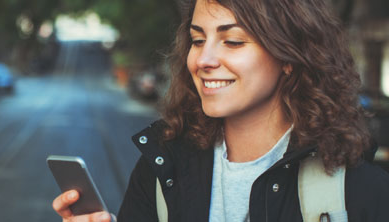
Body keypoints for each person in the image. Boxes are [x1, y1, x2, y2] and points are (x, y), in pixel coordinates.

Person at [52, 0, 389, 221]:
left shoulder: (360, 191)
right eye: (198, 40)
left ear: (288, 57)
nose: (203, 60)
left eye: (233, 41)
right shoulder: (159, 167)